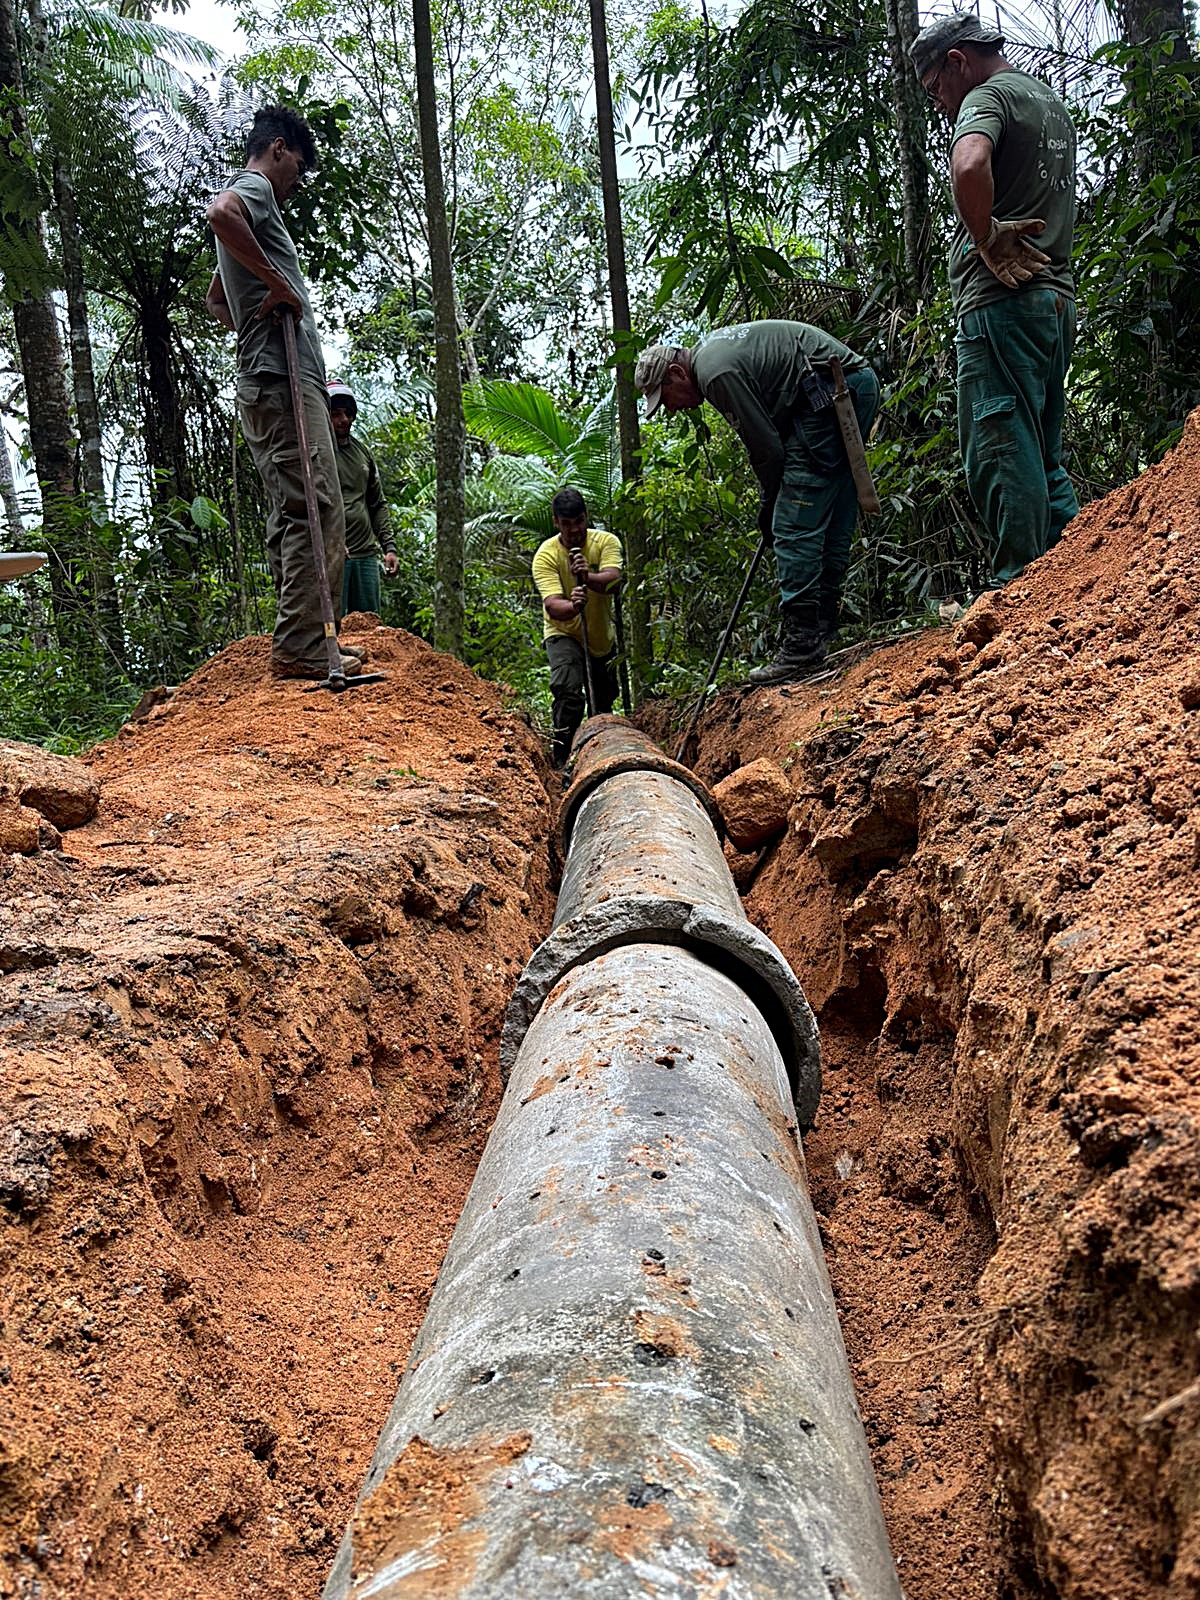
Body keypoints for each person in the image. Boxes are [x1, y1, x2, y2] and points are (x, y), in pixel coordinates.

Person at [911, 13, 1078, 588]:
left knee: (1001, 448)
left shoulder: (987, 97)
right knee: (1041, 455)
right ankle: (1077, 581)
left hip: (1002, 305)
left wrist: (984, 237)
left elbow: (969, 163)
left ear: (958, 62)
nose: (940, 104)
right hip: (1054, 304)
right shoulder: (1047, 101)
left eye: (936, 88)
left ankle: (1017, 589)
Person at [634, 322, 878, 684]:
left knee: (793, 525)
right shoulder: (711, 356)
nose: (670, 409)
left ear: (676, 373)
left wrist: (770, 504)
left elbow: (766, 449)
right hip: (851, 385)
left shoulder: (715, 373)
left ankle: (802, 646)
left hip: (828, 393)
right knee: (831, 511)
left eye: (664, 396)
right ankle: (822, 629)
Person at [206, 106, 359, 680]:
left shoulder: (258, 209)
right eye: (297, 165)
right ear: (277, 149)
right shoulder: (254, 190)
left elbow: (216, 300)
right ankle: (301, 645)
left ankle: (310, 638)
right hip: (280, 379)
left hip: (269, 374)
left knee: (302, 503)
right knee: (316, 504)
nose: (297, 180)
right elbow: (221, 213)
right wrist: (277, 286)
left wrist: (257, 319)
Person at [531, 488, 622, 768]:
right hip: (564, 632)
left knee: (603, 701)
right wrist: (573, 606)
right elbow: (552, 605)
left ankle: (600, 753)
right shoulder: (546, 555)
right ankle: (561, 760)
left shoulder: (605, 542)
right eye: (567, 524)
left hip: (600, 638)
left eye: (579, 521)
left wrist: (587, 577)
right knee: (568, 690)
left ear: (586, 516)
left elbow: (614, 581)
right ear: (556, 522)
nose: (574, 530)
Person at [327, 382, 398, 616]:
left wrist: (389, 548)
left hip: (365, 553)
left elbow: (377, 503)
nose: (343, 420)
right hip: (333, 555)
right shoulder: (316, 453)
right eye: (336, 414)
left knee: (369, 621)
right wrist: (330, 541)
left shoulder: (362, 453)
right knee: (333, 622)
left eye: (348, 413)